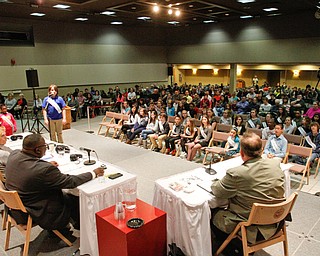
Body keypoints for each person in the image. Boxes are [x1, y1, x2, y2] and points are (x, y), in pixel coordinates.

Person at [4, 133, 104, 232]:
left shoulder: (14, 154)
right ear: (38, 150)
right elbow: (70, 182)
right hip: (35, 211)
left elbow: (28, 167)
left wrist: (44, 164)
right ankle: (77, 227)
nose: (46, 149)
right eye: (45, 146)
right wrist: (93, 173)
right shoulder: (44, 170)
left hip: (15, 209)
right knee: (74, 195)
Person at [211, 132, 285, 255]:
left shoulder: (237, 173)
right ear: (262, 151)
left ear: (241, 153)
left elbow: (218, 192)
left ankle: (231, 248)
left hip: (251, 228)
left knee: (212, 214)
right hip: (276, 222)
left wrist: (215, 181)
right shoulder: (275, 164)